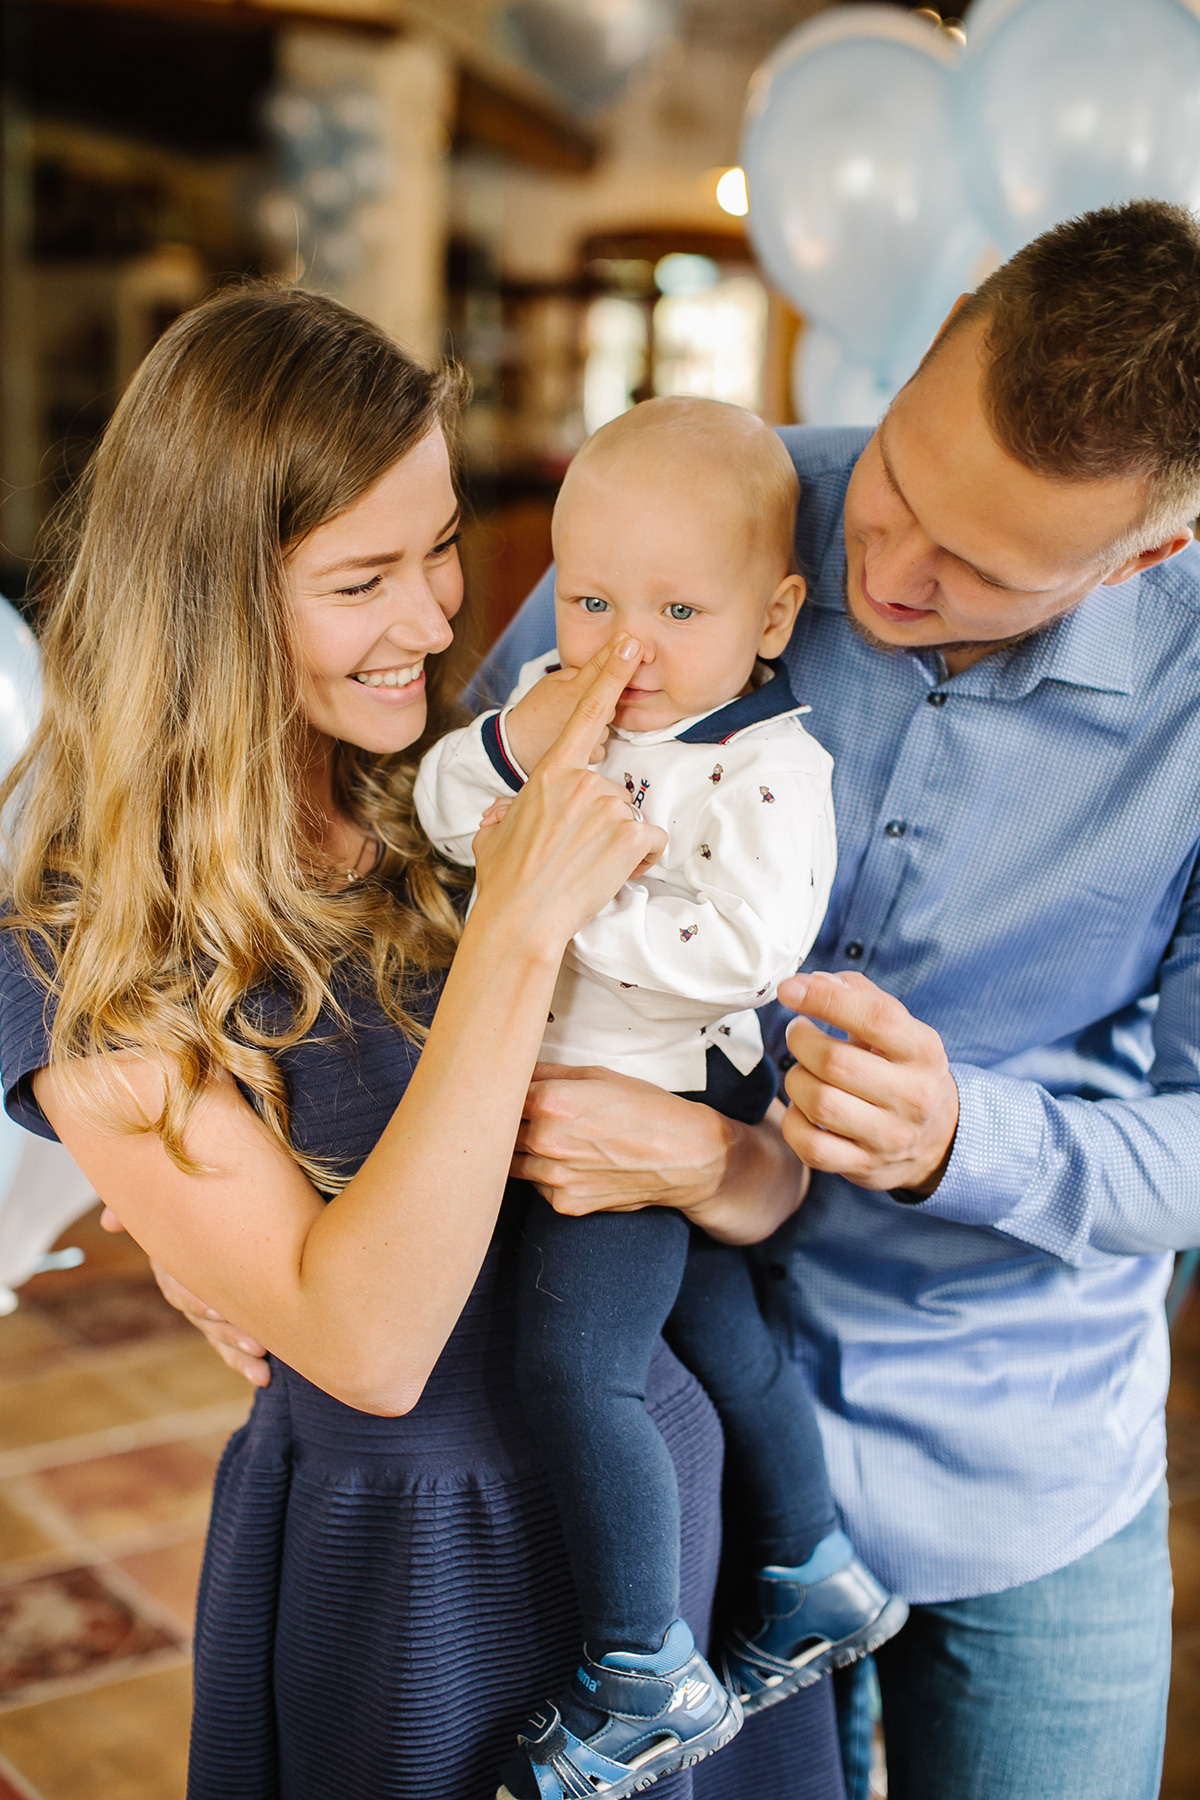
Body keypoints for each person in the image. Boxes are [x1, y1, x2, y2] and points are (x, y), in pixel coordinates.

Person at [0, 283, 849, 1800]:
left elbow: (767, 1194)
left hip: (662, 1532)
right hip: (417, 1572)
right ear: (205, 593)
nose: (439, 619)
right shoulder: (82, 943)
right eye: (362, 578)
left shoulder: (434, 782)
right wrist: (516, 933)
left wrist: (715, 1159)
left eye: (444, 544)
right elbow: (373, 1346)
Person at [454, 200, 1200, 1800]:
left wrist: (964, 1139)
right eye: (898, 486)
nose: (883, 569)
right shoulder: (711, 506)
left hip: (1019, 1471)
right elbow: (445, 849)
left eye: (979, 570)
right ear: (925, 349)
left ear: (1152, 554)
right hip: (674, 1436)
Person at [415, 398, 905, 1800]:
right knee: (727, 1343)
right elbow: (447, 807)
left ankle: (643, 1669)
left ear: (773, 615)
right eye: (590, 601)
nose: (626, 646)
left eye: (679, 608)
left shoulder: (767, 768)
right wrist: (520, 750)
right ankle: (812, 1574)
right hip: (572, 1079)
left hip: (637, 1111)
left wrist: (550, 904)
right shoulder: (579, 710)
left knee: (574, 1368)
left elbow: (742, 953)